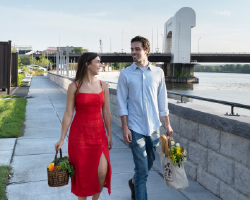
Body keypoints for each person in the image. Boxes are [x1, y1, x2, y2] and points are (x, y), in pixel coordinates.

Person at [117, 36, 173, 200]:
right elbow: (121, 104)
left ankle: (134, 182)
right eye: (132, 49)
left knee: (148, 162)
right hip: (135, 128)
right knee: (142, 170)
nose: (133, 52)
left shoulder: (158, 73)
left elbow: (162, 102)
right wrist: (125, 127)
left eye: (137, 49)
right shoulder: (125, 74)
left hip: (154, 127)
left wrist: (167, 125)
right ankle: (138, 185)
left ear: (146, 50)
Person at [54, 52, 113, 200]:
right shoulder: (74, 86)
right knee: (82, 175)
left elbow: (106, 111)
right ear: (87, 64)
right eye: (97, 62)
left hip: (99, 135)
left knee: (102, 173)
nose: (100, 65)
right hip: (79, 137)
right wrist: (62, 138)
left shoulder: (103, 85)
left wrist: (110, 134)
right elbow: (68, 113)